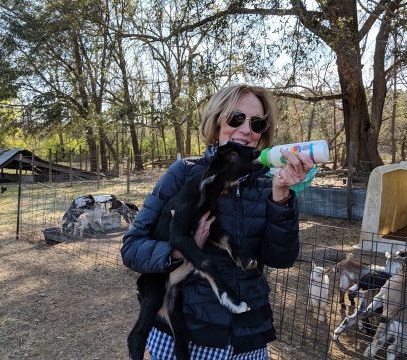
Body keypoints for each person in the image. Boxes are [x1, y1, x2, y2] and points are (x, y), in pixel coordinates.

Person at [121, 84, 314, 359]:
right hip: (184, 337)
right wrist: (180, 250)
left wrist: (282, 197)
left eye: (257, 123)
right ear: (216, 122)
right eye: (236, 118)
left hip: (248, 340)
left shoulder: (269, 184)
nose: (246, 130)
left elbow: (281, 258)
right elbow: (132, 248)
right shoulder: (183, 175)